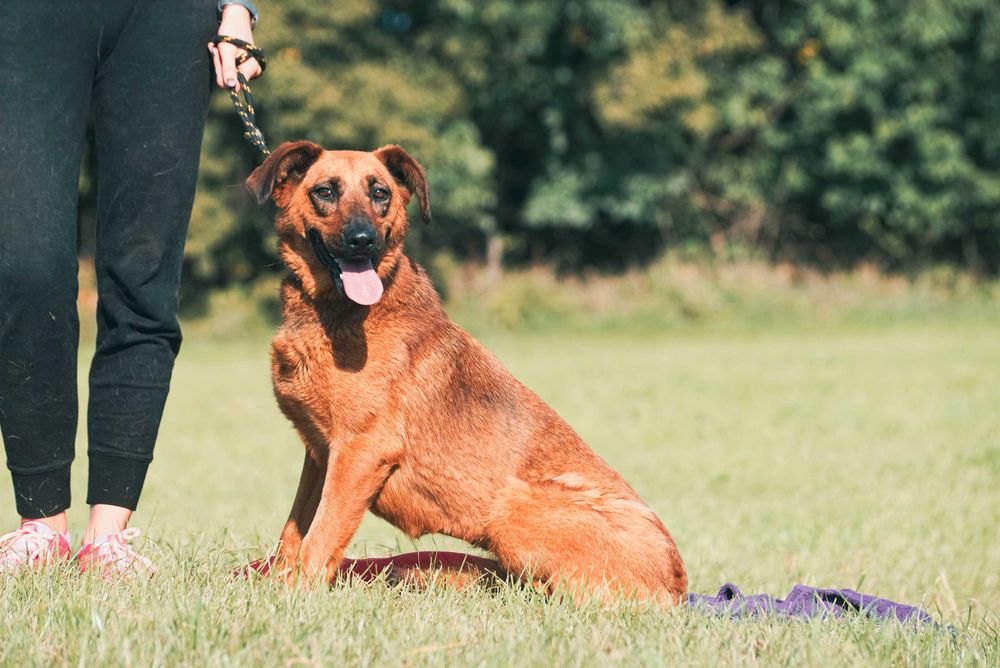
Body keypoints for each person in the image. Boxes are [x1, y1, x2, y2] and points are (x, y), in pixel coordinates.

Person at [0, 0, 263, 577]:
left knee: (143, 275)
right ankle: (40, 526)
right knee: (25, 267)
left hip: (167, 16)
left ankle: (107, 537)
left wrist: (238, 9)